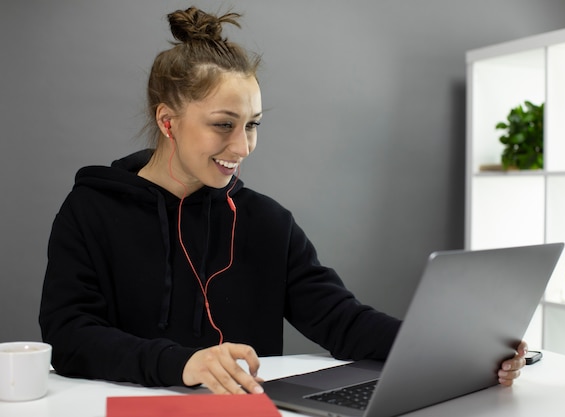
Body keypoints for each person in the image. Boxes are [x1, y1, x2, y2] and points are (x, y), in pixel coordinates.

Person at [39, 7, 527, 396]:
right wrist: (183, 363)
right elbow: (69, 336)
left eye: (252, 124)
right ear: (168, 121)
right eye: (223, 124)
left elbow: (341, 319)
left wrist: (455, 349)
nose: (243, 146)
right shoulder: (92, 210)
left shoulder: (265, 221)